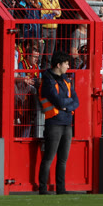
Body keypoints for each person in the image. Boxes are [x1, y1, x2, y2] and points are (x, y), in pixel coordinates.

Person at [38, 51, 79, 195]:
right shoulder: (48, 80)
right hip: (54, 123)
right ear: (58, 65)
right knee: (49, 158)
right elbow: (59, 101)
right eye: (66, 64)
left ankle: (61, 189)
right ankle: (43, 189)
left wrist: (66, 106)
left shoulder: (66, 80)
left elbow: (76, 101)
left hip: (66, 123)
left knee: (62, 159)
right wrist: (68, 104)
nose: (68, 66)